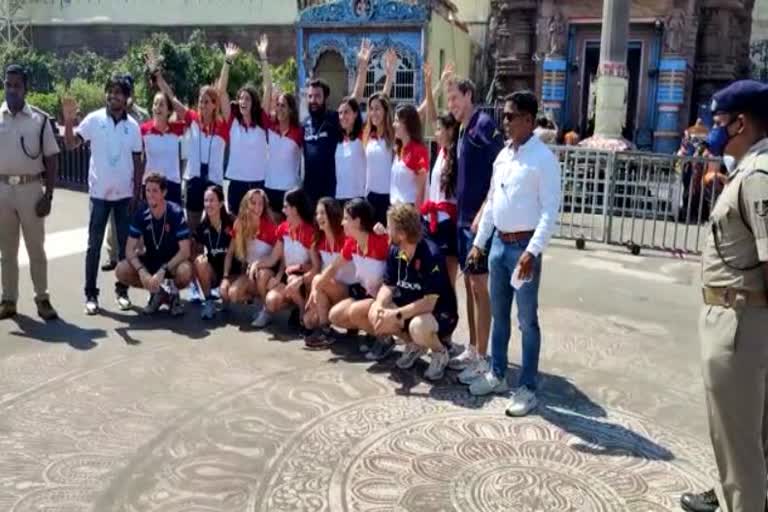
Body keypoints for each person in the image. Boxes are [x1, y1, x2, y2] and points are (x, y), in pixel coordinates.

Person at [679, 80, 768, 512]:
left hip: (740, 321)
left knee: (740, 445)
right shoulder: (748, 171)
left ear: (742, 123)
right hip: (736, 316)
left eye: (718, 124)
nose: (712, 134)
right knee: (744, 436)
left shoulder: (758, 176)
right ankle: (736, 496)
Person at [465, 91, 561, 417]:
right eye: (504, 115)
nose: (504, 122)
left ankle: (528, 386)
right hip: (499, 246)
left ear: (529, 120)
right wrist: (480, 244)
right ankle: (498, 373)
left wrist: (533, 251)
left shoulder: (543, 159)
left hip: (523, 250)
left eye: (510, 116)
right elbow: (492, 204)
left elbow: (550, 212)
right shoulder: (503, 156)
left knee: (527, 320)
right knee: (500, 316)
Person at [62, 75, 144, 315]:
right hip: (99, 196)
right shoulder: (93, 119)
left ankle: (122, 291)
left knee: (124, 250)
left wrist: (137, 193)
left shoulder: (133, 127)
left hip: (124, 197)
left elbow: (138, 162)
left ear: (126, 98)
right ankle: (91, 294)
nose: (113, 96)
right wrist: (68, 121)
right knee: (94, 246)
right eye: (110, 91)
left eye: (118, 92)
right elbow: (70, 144)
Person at [444, 78, 504, 374]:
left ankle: (482, 356)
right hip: (461, 219)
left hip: (478, 222)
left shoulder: (483, 125)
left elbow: (500, 168)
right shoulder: (463, 129)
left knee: (480, 286)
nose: (451, 105)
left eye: (455, 98)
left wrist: (483, 210)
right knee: (468, 285)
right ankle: (471, 347)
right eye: (449, 100)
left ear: (469, 94)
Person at [368, 203, 459, 380]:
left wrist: (396, 314)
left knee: (418, 326)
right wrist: (379, 305)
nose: (387, 231)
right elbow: (388, 285)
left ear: (401, 234)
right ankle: (414, 345)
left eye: (390, 227)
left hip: (439, 314)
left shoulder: (430, 255)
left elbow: (429, 303)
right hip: (411, 309)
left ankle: (440, 352)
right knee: (375, 312)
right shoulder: (395, 250)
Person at [0, 64, 60, 321]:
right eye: (8, 84)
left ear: (25, 88)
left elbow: (52, 159)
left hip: (31, 189)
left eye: (17, 85)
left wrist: (49, 196)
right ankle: (8, 299)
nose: (12, 90)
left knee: (36, 248)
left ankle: (42, 298)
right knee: (7, 250)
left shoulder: (39, 119)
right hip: (2, 190)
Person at [151, 53, 229, 232]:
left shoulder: (223, 125)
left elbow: (222, 90)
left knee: (215, 226)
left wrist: (227, 62)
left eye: (207, 102)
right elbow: (172, 98)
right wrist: (157, 75)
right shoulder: (192, 119)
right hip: (193, 180)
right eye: (200, 101)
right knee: (192, 227)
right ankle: (192, 256)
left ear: (214, 104)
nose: (202, 105)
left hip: (214, 182)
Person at [302, 39, 370, 205]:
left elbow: (355, 99)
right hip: (309, 192)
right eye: (310, 96)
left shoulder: (334, 119)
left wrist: (362, 69)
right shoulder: (304, 124)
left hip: (332, 192)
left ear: (326, 98)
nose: (313, 100)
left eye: (317, 96)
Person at [115, 172, 193, 315]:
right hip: (151, 261)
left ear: (164, 192)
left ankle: (173, 293)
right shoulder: (141, 212)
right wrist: (142, 271)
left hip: (172, 263)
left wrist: (163, 270)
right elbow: (129, 250)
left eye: (155, 191)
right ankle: (159, 292)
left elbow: (185, 251)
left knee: (185, 271)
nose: (150, 195)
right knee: (121, 269)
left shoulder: (175, 212)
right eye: (148, 190)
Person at [326, 198, 391, 359]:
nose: (342, 223)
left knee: (355, 312)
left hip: (387, 298)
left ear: (358, 221)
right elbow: (333, 267)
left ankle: (386, 339)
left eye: (346, 218)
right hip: (366, 295)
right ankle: (374, 333)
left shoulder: (380, 240)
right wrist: (316, 287)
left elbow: (405, 247)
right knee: (334, 316)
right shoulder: (351, 243)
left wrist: (388, 233)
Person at [217, 37, 272, 215]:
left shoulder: (262, 123)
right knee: (237, 231)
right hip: (236, 183)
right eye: (240, 98)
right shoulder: (232, 122)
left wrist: (263, 56)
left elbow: (268, 88)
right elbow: (221, 91)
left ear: (253, 103)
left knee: (257, 231)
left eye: (247, 98)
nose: (242, 101)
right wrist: (227, 61)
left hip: (258, 183)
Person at [419, 62, 459, 286]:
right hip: (430, 218)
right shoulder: (440, 151)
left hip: (446, 222)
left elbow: (439, 117)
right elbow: (433, 115)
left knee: (448, 275)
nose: (435, 132)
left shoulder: (457, 152)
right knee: (432, 271)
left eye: (440, 130)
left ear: (451, 131)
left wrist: (450, 87)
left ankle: (449, 313)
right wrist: (429, 83)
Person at [256, 188, 316, 329]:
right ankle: (291, 308)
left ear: (294, 209)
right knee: (271, 301)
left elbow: (317, 267)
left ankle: (302, 310)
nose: (283, 210)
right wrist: (256, 265)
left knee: (292, 281)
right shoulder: (283, 228)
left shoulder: (310, 232)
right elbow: (272, 258)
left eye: (285, 207)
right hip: (288, 276)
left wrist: (299, 270)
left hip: (306, 278)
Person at [304, 197, 357, 349]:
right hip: (331, 288)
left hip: (351, 289)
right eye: (317, 214)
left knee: (320, 281)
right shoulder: (320, 241)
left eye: (323, 213)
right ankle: (326, 327)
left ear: (332, 214)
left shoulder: (345, 237)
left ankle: (325, 331)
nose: (318, 217)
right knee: (308, 321)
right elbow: (320, 270)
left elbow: (331, 269)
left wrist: (315, 287)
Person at [222, 189, 278, 323]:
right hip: (249, 272)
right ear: (246, 204)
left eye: (260, 204)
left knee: (262, 275)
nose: (257, 207)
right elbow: (230, 253)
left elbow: (279, 256)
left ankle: (267, 310)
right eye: (253, 203)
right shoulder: (239, 224)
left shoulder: (270, 225)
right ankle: (257, 300)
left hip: (268, 271)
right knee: (233, 294)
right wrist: (225, 277)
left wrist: (279, 275)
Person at [193, 185, 235, 320]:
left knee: (231, 293)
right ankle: (209, 302)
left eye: (212, 200)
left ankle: (227, 296)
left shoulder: (232, 222)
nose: (208, 204)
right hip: (215, 274)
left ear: (221, 203)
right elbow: (196, 253)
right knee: (199, 261)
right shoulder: (202, 227)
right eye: (206, 201)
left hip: (233, 273)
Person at [139, 91, 186, 205]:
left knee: (172, 222)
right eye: (155, 104)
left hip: (172, 185)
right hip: (151, 186)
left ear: (169, 110)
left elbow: (189, 116)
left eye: (161, 104)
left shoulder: (178, 129)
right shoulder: (143, 130)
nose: (157, 107)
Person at [265, 92, 302, 214]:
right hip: (269, 187)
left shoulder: (299, 132)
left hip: (290, 190)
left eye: (283, 106)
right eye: (278, 105)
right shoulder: (270, 127)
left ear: (291, 110)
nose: (279, 109)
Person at [389, 104, 429, 209]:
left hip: (408, 211)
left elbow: (420, 191)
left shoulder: (419, 151)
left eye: (397, 121)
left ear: (407, 124)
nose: (393, 124)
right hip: (395, 210)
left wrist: (415, 219)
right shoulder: (398, 148)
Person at [335, 97, 366, 204]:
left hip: (358, 197)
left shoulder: (364, 136)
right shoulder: (337, 140)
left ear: (355, 114)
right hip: (339, 196)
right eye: (340, 113)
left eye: (346, 112)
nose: (342, 116)